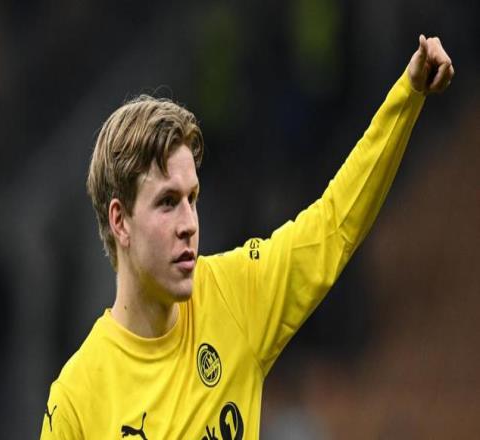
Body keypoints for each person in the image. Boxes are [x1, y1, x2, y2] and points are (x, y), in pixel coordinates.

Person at [40, 35, 454, 439]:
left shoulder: (234, 297)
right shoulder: (76, 402)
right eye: (167, 202)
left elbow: (334, 224)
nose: (189, 223)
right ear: (120, 221)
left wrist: (408, 94)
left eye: (192, 199)